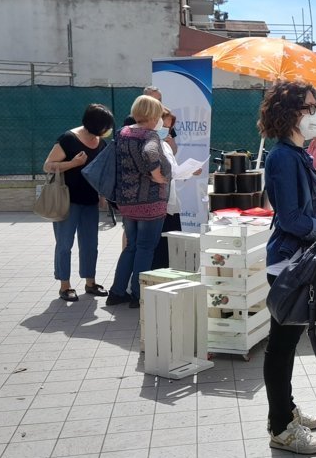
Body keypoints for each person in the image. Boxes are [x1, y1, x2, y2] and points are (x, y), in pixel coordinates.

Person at [258, 80, 316, 455]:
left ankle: (284, 411)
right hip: (289, 262)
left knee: (284, 345)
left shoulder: (298, 153)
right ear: (289, 114)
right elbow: (290, 219)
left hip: (297, 259)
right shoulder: (283, 157)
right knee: (281, 346)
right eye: (309, 107)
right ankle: (282, 426)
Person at [42, 104, 115, 302]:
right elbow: (47, 166)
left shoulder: (100, 142)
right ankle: (64, 285)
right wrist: (73, 163)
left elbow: (100, 171)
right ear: (94, 124)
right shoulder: (68, 139)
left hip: (90, 201)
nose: (107, 130)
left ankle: (90, 282)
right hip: (67, 201)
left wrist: (102, 195)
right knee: (64, 244)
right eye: (105, 126)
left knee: (91, 244)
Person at [105, 95, 171, 309]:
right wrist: (157, 176)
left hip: (126, 200)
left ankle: (116, 292)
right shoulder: (149, 135)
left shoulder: (122, 132)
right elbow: (150, 152)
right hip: (150, 202)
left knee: (131, 247)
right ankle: (137, 294)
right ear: (153, 115)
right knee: (145, 248)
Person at [152, 108, 201, 269]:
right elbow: (166, 172)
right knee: (159, 248)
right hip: (157, 203)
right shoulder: (151, 145)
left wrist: (189, 171)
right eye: (164, 126)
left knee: (172, 246)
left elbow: (174, 172)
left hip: (171, 203)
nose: (166, 130)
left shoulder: (165, 146)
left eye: (169, 127)